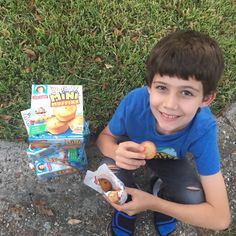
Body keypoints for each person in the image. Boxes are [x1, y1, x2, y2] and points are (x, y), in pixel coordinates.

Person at [96, 30, 231, 236]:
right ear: (149, 87)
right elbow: (104, 139)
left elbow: (220, 218)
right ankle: (127, 203)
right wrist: (115, 152)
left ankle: (162, 193)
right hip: (131, 150)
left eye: (186, 92)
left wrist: (155, 204)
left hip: (170, 161)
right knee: (106, 170)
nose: (169, 105)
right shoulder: (134, 102)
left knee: (192, 196)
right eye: (161, 88)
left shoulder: (203, 129)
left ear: (206, 99)